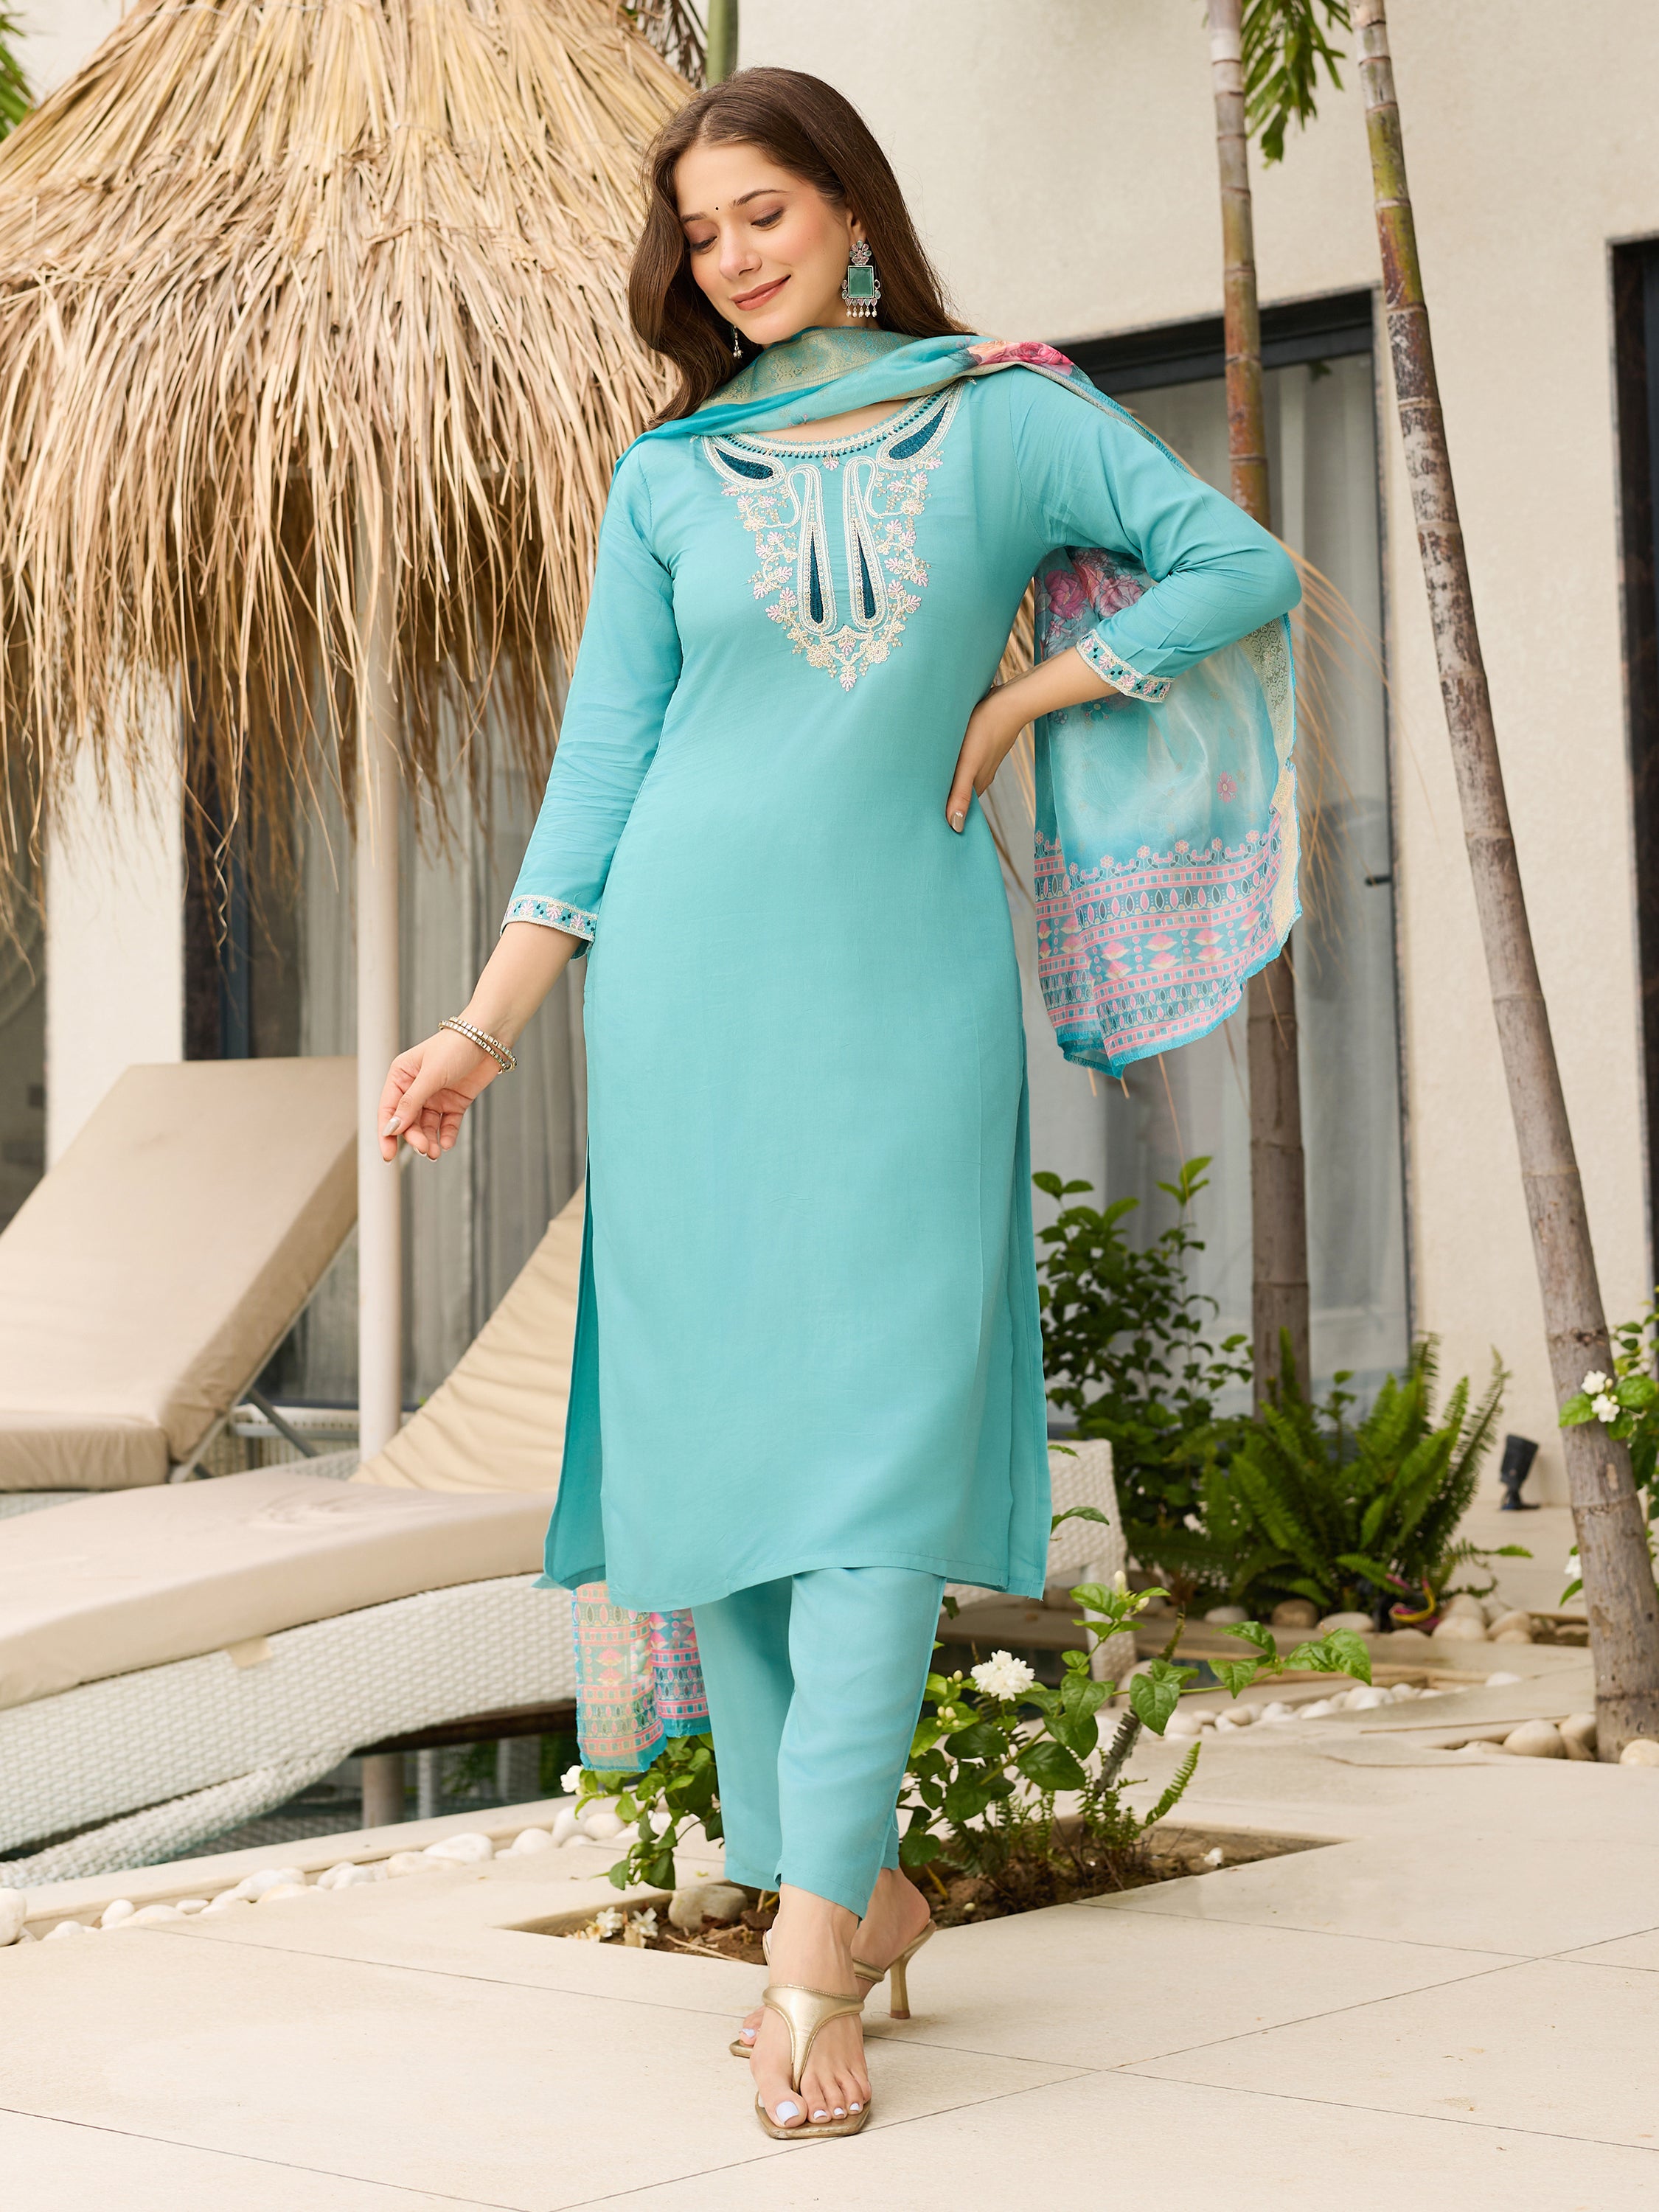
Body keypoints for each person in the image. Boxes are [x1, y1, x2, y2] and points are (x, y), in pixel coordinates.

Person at [378, 67, 1298, 2143]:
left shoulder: (1005, 412)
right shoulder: (670, 476)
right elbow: (602, 773)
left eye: (763, 212)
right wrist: (485, 1025)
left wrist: (1026, 694)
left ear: (853, 215)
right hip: (686, 1002)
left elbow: (1224, 565)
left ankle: (807, 1963)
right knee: (728, 1493)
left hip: (899, 989)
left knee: (874, 1459)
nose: (734, 256)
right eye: (701, 234)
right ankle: (856, 1886)